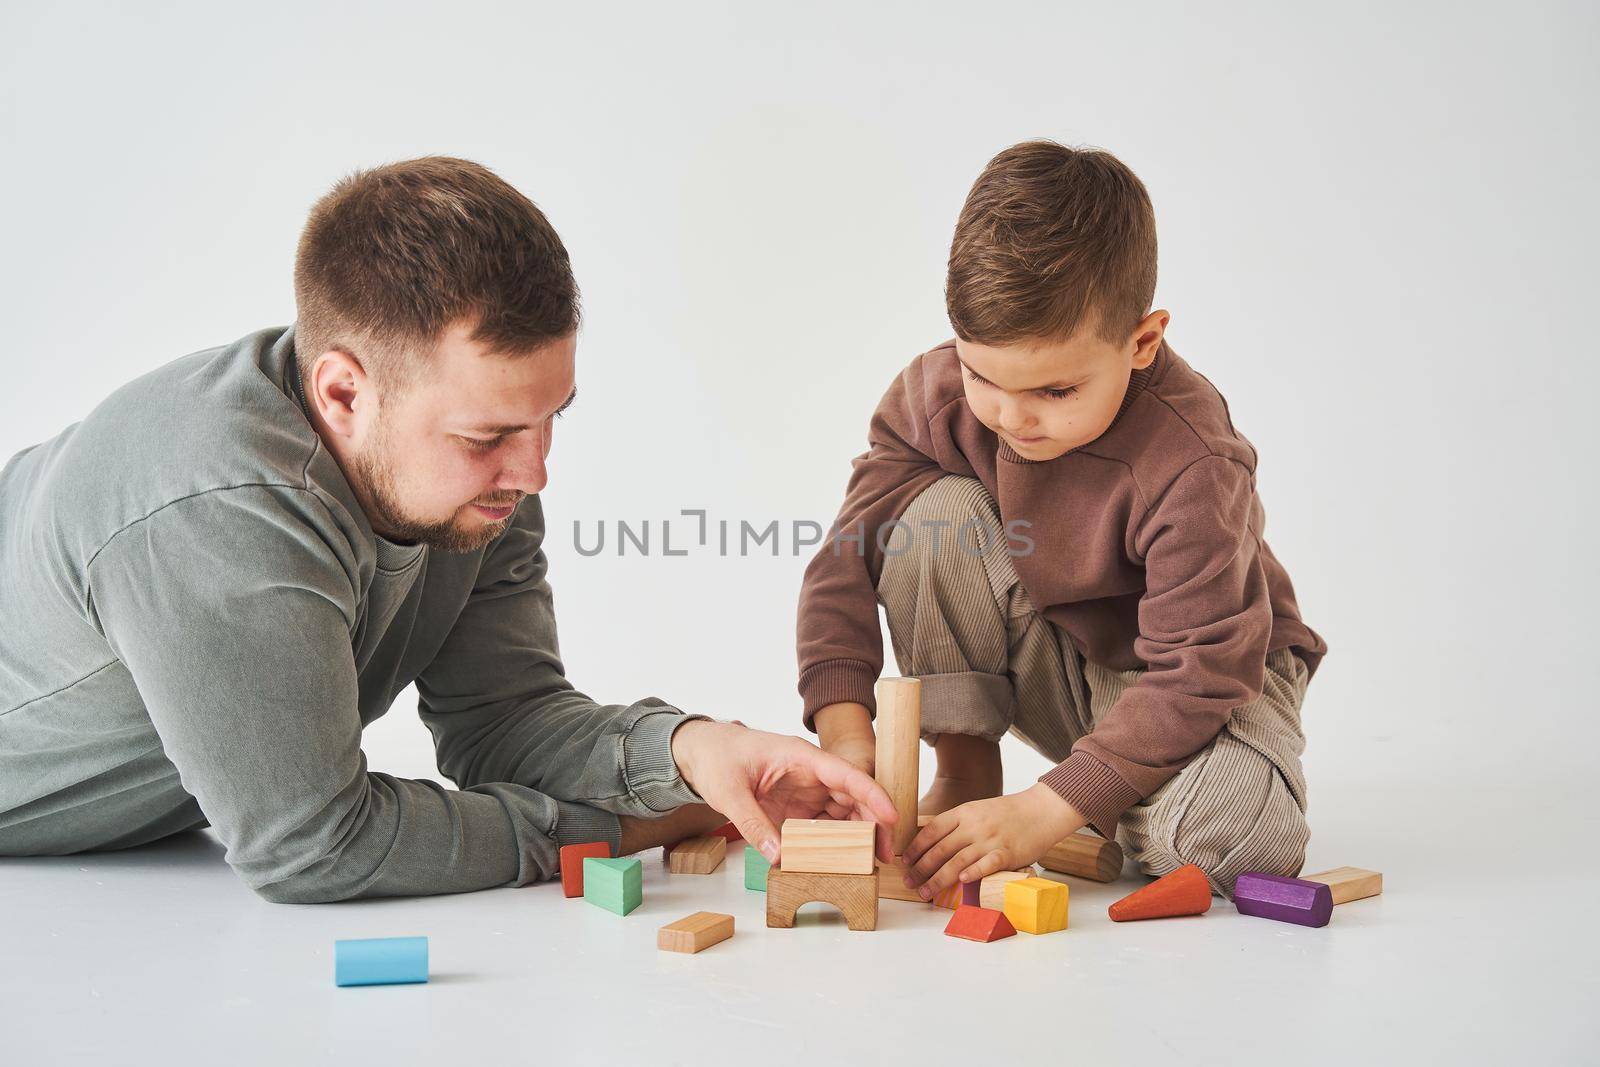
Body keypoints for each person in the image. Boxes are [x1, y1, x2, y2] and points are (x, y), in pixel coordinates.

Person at [0, 156, 894, 902]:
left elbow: (503, 722)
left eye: (551, 419)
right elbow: (312, 842)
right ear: (343, 392)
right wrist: (628, 824)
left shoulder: (475, 483)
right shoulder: (215, 512)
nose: (535, 471)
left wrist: (691, 751)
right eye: (489, 435)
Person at [798, 141, 1327, 902]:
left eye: (1055, 390)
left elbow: (1200, 668)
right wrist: (847, 737)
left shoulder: (1193, 459)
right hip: (1067, 653)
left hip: (1205, 675)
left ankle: (1101, 801)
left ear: (1141, 342)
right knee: (931, 515)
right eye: (982, 375)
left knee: (1225, 844)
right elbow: (845, 558)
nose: (1011, 416)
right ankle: (970, 767)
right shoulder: (938, 393)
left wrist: (1043, 814)